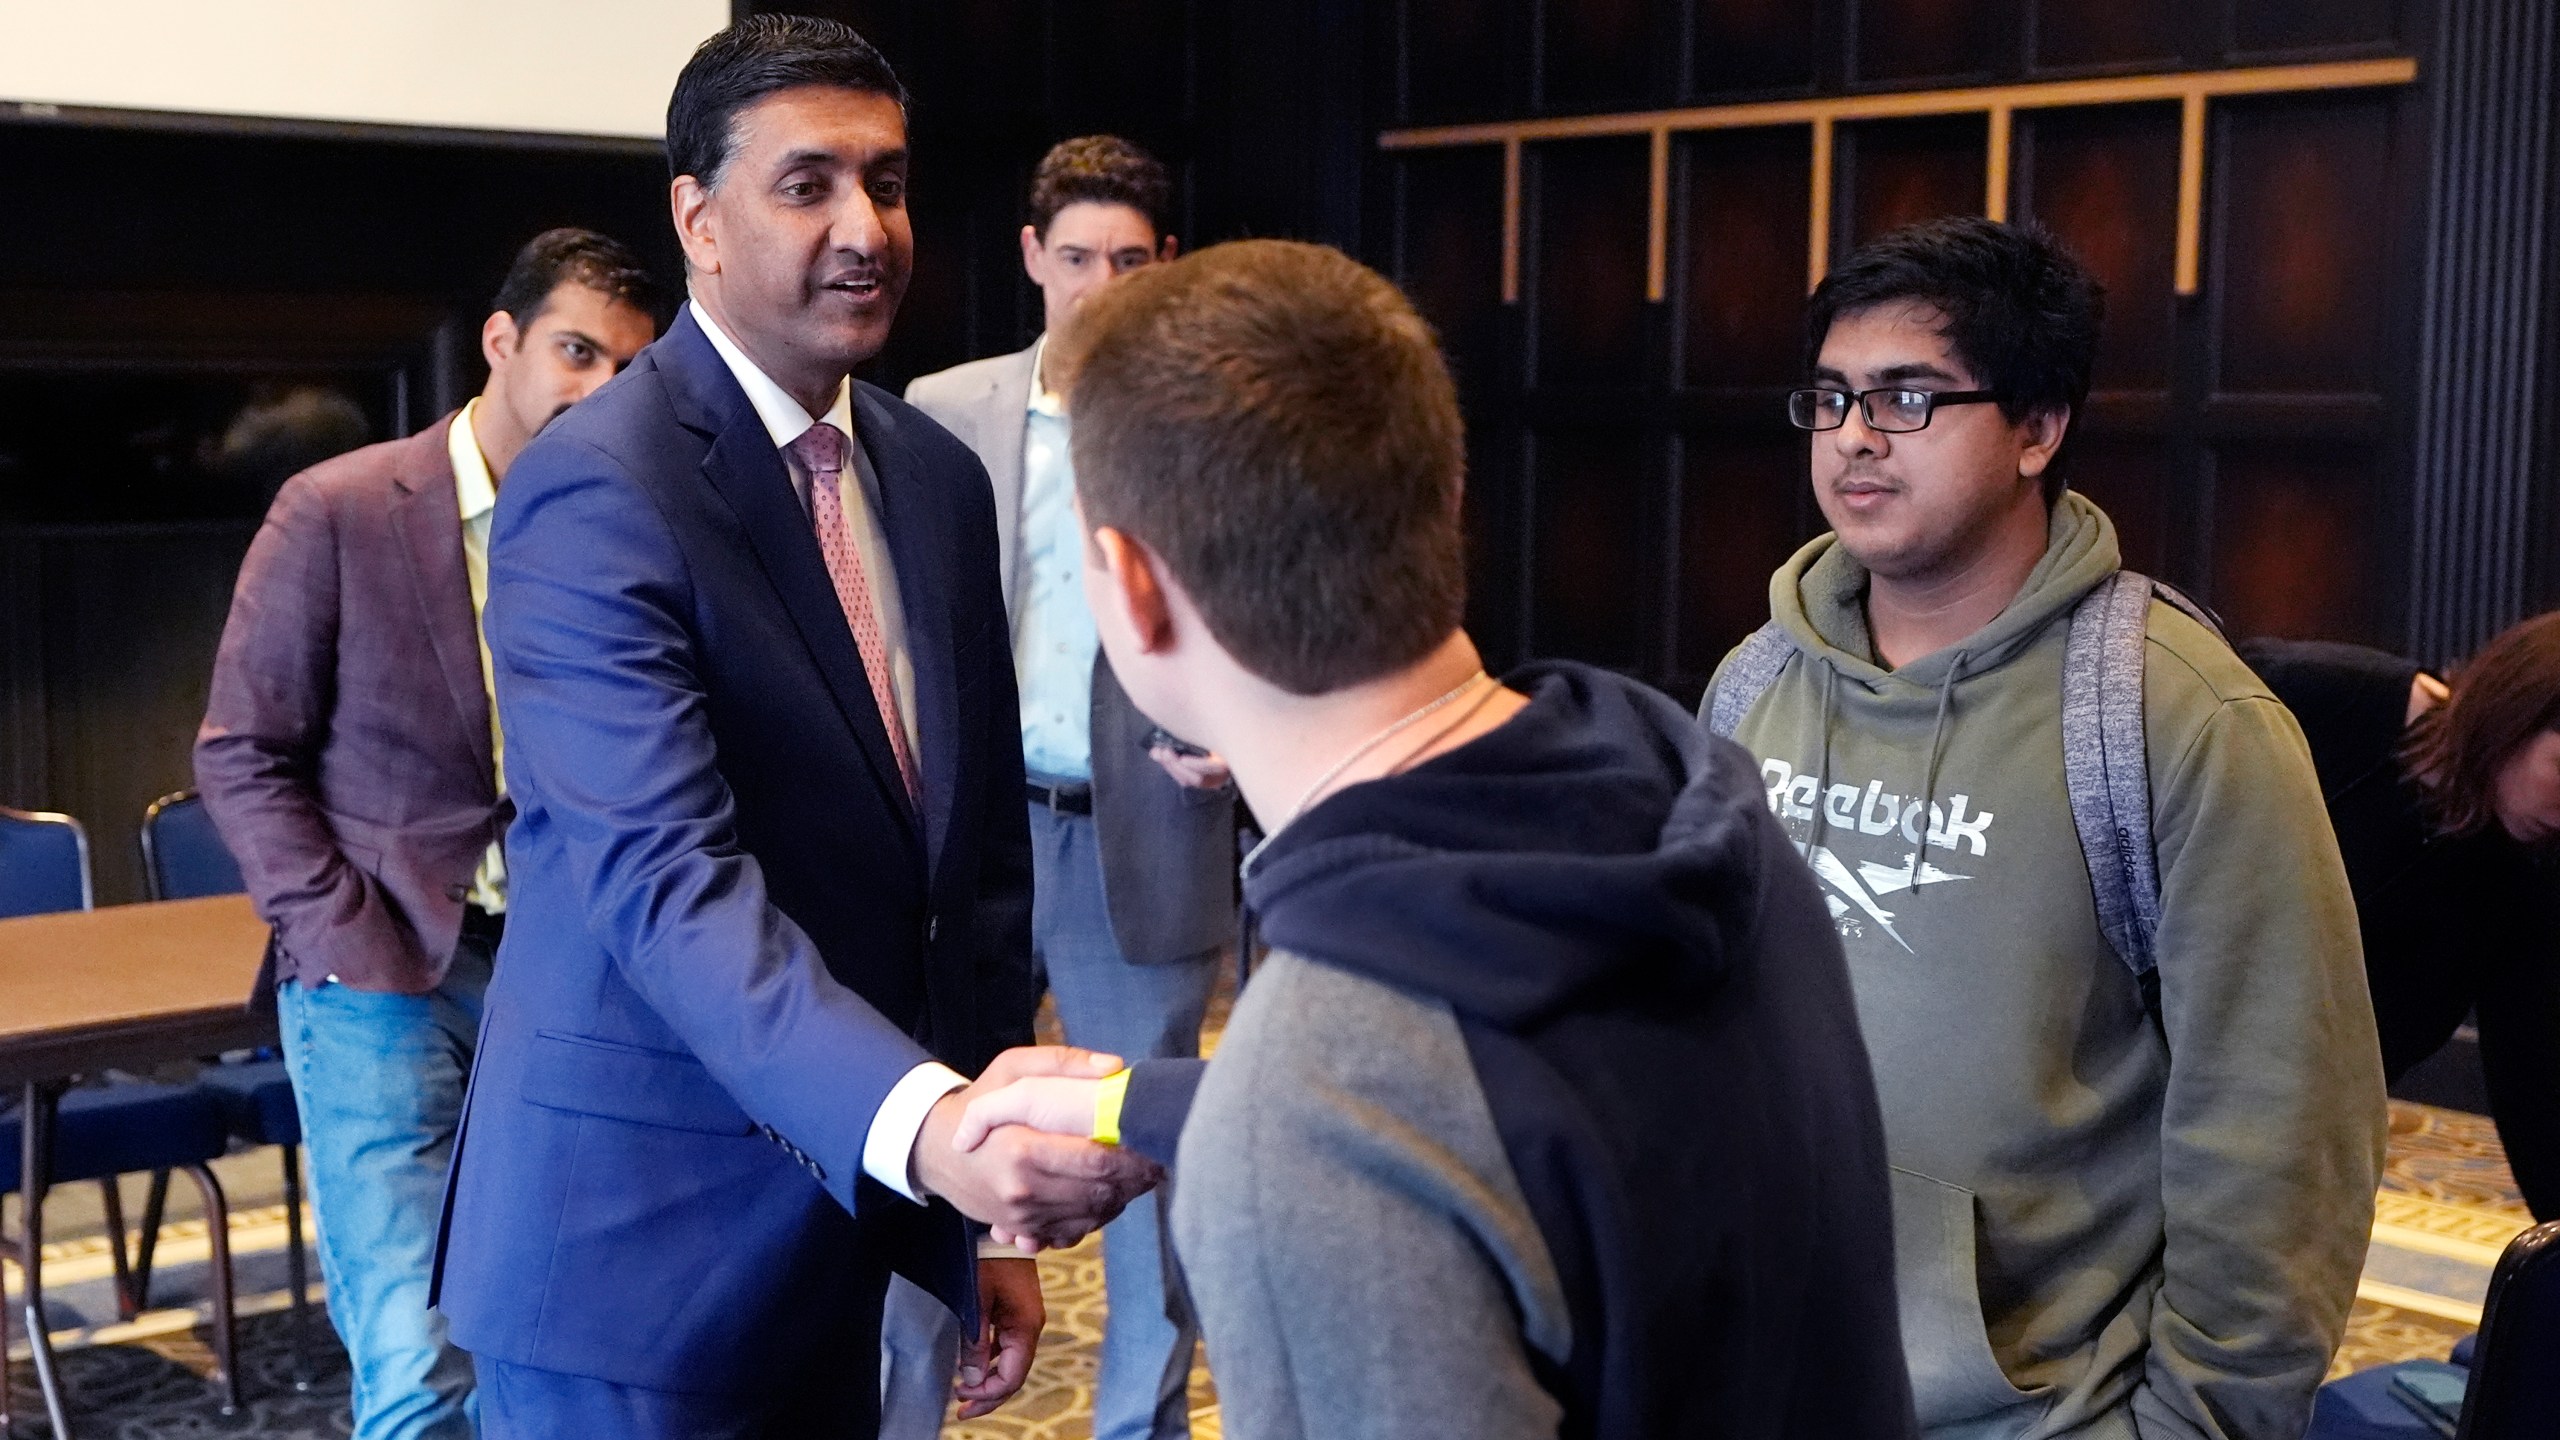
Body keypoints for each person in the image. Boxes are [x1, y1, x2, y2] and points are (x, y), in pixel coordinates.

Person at [959, 238, 1917, 1440]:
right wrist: (1137, 1107)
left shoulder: (1323, 1101)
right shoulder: (1697, 805)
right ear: (1444, 500)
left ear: (1130, 591)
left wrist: (1269, 1110)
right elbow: (1556, 1113)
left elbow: (1387, 1102)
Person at [428, 18, 1157, 1437]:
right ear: (697, 218)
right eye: (806, 183)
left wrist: (979, 1228)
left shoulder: (933, 477)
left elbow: (971, 880)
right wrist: (939, 1133)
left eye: (884, 183)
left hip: (870, 1231)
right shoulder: (596, 488)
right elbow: (666, 884)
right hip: (638, 1272)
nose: (866, 228)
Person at [1698, 215, 2384, 1437]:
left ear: (2037, 428)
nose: (1855, 436)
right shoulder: (1756, 685)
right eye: (1832, 396)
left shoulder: (2181, 716)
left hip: (2036, 1414)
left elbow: (2283, 1131)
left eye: (1909, 398)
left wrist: (2196, 1425)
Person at [195, 226, 662, 1440]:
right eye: (575, 350)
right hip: (382, 979)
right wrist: (333, 932)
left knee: (547, 1330)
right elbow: (242, 752)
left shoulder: (617, 531)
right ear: (500, 343)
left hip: (558, 979)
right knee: (415, 1356)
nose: (597, 390)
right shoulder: (340, 507)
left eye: (626, 368)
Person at [893, 133, 1231, 1440]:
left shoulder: (1207, 415)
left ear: (1168, 267)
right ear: (1034, 258)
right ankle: (910, 1407)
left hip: (1138, 831)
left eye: (1130, 260)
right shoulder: (940, 405)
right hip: (969, 830)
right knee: (932, 1132)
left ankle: (1135, 1428)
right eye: (1077, 257)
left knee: (1143, 1161)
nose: (1102, 284)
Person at [2240, 616, 2560, 1219]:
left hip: (2306, 1144)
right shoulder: (2327, 694)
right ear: (2516, 715)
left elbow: (2535, 1088)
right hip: (2153, 1064)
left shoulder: (2530, 877)